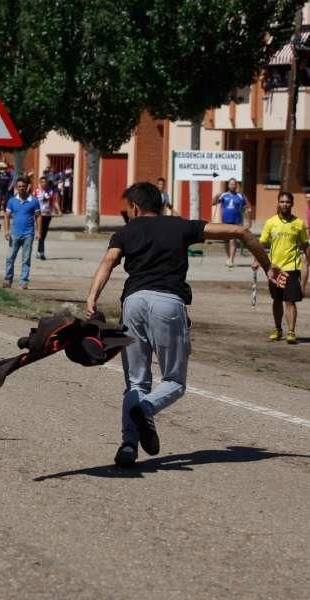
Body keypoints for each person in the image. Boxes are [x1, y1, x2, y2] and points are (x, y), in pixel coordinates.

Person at [85, 182, 286, 467]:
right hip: (168, 304)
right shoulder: (180, 226)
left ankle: (129, 446)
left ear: (135, 207)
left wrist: (92, 297)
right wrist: (267, 266)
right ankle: (147, 409)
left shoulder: (125, 232)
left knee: (135, 382)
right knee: (174, 382)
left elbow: (108, 262)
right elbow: (240, 231)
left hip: (133, 303)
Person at [255, 191, 310, 344]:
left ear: (292, 204)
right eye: (282, 201)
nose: (285, 204)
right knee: (277, 300)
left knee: (290, 301)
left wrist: (307, 262)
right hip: (274, 269)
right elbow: (261, 244)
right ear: (278, 203)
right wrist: (256, 260)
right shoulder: (271, 222)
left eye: (287, 202)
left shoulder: (299, 224)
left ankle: (291, 332)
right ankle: (278, 329)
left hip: (291, 268)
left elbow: (305, 245)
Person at [3, 177, 41, 289]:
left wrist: (39, 231)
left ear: (27, 186)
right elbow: (7, 216)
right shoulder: (12, 201)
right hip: (14, 234)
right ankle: (8, 280)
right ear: (16, 187)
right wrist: (6, 230)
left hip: (28, 234)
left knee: (26, 259)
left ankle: (24, 281)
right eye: (19, 186)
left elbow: (38, 217)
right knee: (10, 257)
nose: (21, 188)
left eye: (23, 186)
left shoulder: (33, 201)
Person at [214, 178, 252, 268]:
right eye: (231, 184)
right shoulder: (223, 195)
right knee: (226, 241)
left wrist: (247, 212)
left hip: (236, 222)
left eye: (234, 184)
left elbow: (248, 206)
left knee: (233, 240)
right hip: (225, 221)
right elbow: (213, 203)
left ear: (236, 185)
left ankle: (231, 259)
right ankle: (228, 257)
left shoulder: (240, 196)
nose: (232, 186)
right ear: (228, 185)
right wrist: (216, 196)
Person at [33, 175, 61, 260]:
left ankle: (39, 251)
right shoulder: (36, 191)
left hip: (47, 215)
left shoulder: (51, 192)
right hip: (39, 215)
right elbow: (32, 202)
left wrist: (59, 210)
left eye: (45, 182)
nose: (43, 184)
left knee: (43, 234)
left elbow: (54, 201)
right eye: (42, 182)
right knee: (40, 233)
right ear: (39, 183)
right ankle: (41, 253)